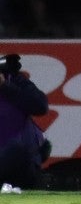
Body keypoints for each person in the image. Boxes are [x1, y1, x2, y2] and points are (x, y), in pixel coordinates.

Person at [0, 54, 50, 190]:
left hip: (20, 158)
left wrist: (5, 86)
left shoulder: (14, 80)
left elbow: (40, 106)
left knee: (14, 149)